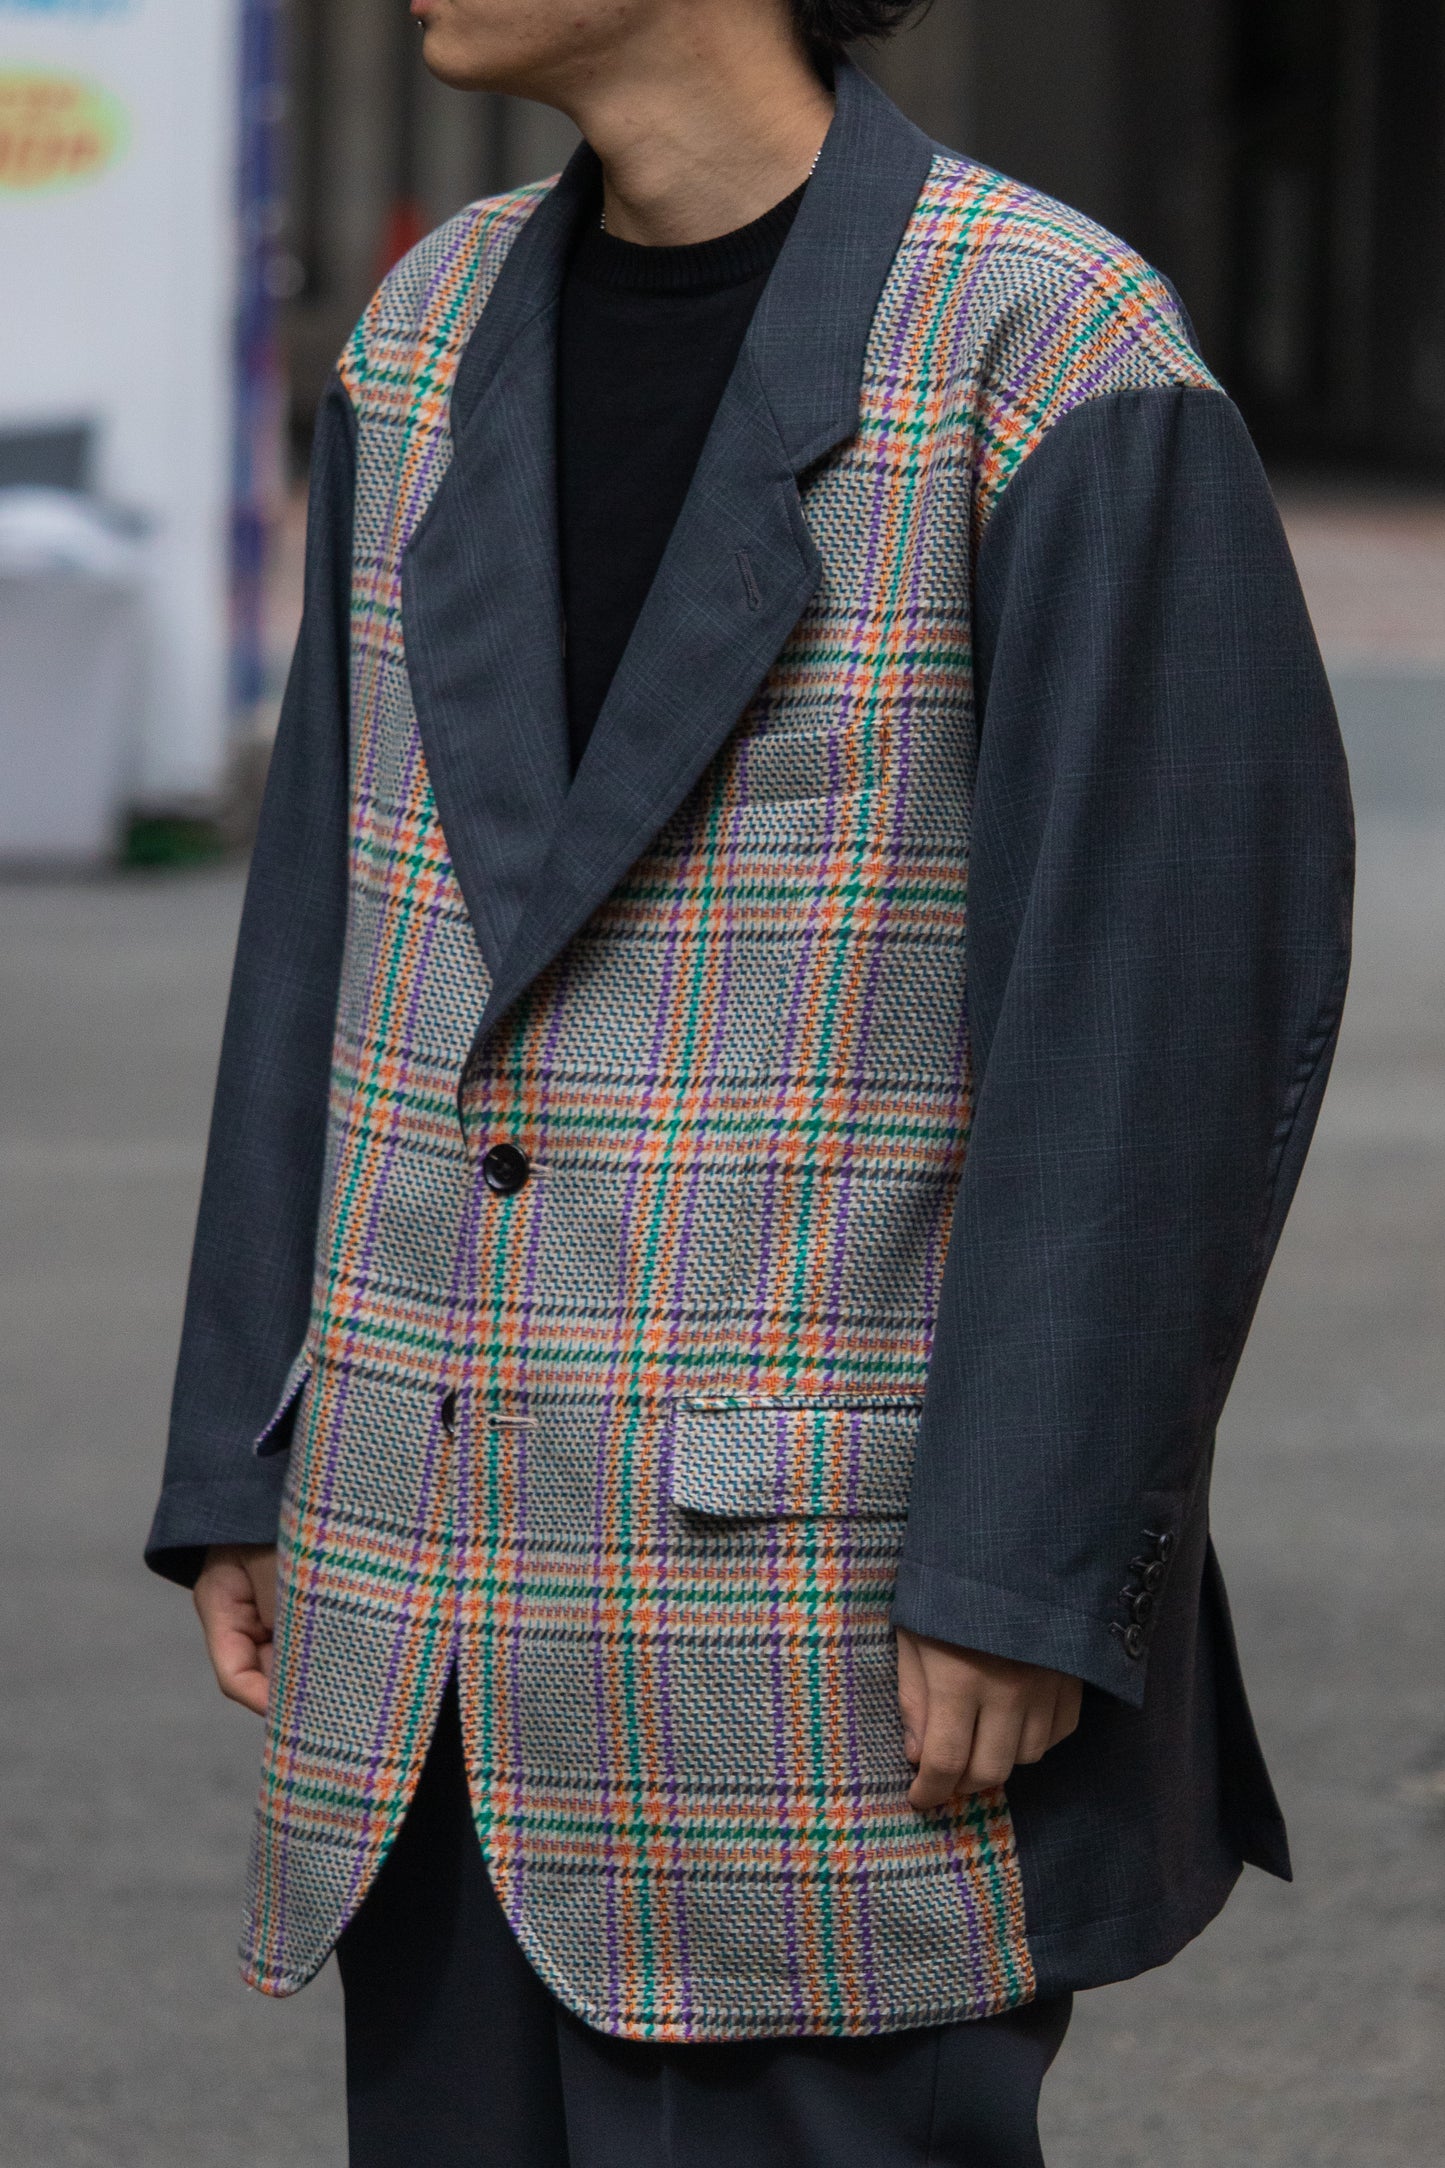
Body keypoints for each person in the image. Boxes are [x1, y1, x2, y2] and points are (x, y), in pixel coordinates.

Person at [145, 1, 1355, 2161]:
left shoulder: (1041, 341)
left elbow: (1161, 1004)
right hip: (424, 1599)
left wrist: (1029, 1556)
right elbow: (327, 921)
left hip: (807, 1625)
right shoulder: (425, 332)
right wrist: (250, 1434)